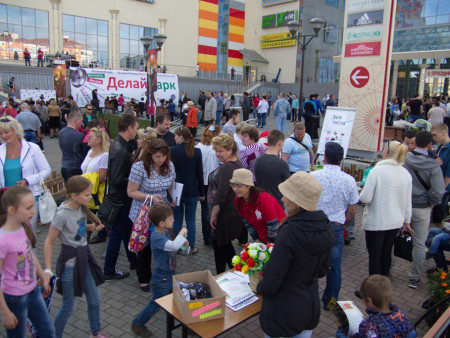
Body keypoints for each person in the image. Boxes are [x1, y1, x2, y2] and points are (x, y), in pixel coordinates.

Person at [257, 171, 334, 338]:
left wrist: (258, 288)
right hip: (308, 307)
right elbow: (322, 270)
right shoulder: (326, 226)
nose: (283, 199)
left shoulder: (290, 231)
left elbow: (272, 279)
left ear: (297, 202)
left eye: (287, 195)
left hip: (282, 313)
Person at [44, 176, 107, 338]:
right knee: (68, 307)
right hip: (70, 265)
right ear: (73, 195)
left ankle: (95, 332)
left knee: (95, 298)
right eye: (87, 194)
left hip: (84, 259)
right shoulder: (61, 214)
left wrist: (90, 226)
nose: (90, 197)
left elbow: (76, 227)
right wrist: (48, 270)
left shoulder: (81, 207)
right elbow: (49, 242)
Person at [0, 186, 55, 338]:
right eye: (29, 207)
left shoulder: (24, 228)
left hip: (33, 292)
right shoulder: (3, 240)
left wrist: (42, 276)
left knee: (48, 332)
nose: (33, 211)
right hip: (14, 297)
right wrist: (5, 312)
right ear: (12, 210)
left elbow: (29, 254)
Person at [311, 142, 359, 310]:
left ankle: (309, 298)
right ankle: (331, 302)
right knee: (334, 267)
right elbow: (352, 210)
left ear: (324, 157)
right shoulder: (349, 180)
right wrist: (342, 221)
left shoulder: (314, 176)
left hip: (315, 225)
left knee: (310, 263)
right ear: (341, 159)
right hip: (336, 227)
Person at [130, 205, 188, 337]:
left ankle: (186, 324)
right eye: (171, 218)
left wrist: (184, 245)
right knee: (156, 303)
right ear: (162, 223)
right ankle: (138, 323)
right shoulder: (156, 237)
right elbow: (172, 245)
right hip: (162, 277)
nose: (173, 220)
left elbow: (173, 248)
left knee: (178, 298)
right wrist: (181, 233)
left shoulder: (165, 232)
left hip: (170, 273)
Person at [128, 138, 175, 291]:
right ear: (150, 155)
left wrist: (173, 197)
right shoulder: (139, 167)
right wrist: (150, 198)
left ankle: (165, 273)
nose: (161, 159)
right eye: (157, 156)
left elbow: (170, 185)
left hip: (162, 211)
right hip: (143, 212)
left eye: (163, 156)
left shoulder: (169, 165)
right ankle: (144, 278)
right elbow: (131, 192)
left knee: (163, 243)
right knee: (144, 246)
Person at [359, 141, 411, 277]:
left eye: (383, 149)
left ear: (387, 153)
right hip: (395, 222)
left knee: (375, 256)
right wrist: (407, 221)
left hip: (377, 221)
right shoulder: (405, 173)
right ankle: (383, 286)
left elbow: (365, 198)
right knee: (386, 252)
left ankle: (373, 291)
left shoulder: (376, 171)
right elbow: (407, 201)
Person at [403, 130, 445, 288]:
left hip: (404, 205)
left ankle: (388, 267)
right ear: (429, 145)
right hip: (423, 207)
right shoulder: (433, 165)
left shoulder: (405, 159)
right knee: (420, 243)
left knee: (393, 237)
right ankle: (414, 278)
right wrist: (432, 203)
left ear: (414, 142)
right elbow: (438, 191)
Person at [103, 113, 139, 280]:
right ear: (129, 128)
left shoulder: (121, 145)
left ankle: (133, 260)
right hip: (121, 199)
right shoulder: (120, 149)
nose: (137, 132)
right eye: (136, 128)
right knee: (118, 234)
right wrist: (135, 180)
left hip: (122, 198)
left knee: (126, 231)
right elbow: (117, 179)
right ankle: (109, 269)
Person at [0, 116, 51, 234]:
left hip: (28, 198)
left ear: (15, 130)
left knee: (28, 235)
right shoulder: (1, 150)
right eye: (1, 133)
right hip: (6, 200)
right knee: (7, 234)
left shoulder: (33, 148)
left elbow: (46, 170)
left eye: (6, 132)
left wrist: (28, 180)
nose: (3, 136)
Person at [208, 134, 243, 274]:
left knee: (220, 246)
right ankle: (234, 273)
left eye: (220, 151)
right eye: (216, 151)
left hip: (224, 214)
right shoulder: (237, 163)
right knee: (226, 246)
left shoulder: (226, 168)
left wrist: (213, 215)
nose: (217, 154)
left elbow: (221, 196)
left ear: (230, 150)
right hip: (232, 211)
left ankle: (222, 275)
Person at [337, 275, 415, 338]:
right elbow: (412, 334)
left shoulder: (368, 326)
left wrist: (341, 331)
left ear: (369, 301)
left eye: (363, 299)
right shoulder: (401, 315)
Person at [231, 169, 285, 244]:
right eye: (232, 185)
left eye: (239, 186)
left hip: (279, 238)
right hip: (261, 238)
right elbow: (247, 223)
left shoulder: (264, 199)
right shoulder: (238, 200)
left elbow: (273, 227)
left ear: (249, 185)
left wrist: (269, 246)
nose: (235, 189)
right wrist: (256, 239)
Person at [171, 127, 203, 254]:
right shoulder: (196, 151)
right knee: (191, 219)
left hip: (176, 189)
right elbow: (199, 173)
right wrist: (201, 192)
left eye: (175, 136)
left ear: (180, 137)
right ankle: (191, 246)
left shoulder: (172, 151)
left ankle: (177, 246)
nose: (174, 138)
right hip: (192, 190)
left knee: (177, 219)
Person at [195, 125, 220, 246]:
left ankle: (206, 238)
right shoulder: (215, 149)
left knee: (204, 209)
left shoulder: (198, 147)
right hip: (212, 182)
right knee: (212, 209)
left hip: (201, 182)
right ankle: (212, 236)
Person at [255, 130, 290, 207]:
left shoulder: (258, 160)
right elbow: (288, 186)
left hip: (261, 202)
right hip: (276, 204)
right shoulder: (282, 164)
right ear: (280, 143)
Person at [431, 123, 450, 226]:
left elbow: (448, 175)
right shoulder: (440, 147)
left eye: (435, 135)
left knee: (439, 218)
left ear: (444, 133)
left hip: (444, 190)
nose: (434, 138)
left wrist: (441, 191)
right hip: (439, 187)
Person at [59, 111, 85, 183]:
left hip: (64, 166)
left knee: (70, 191)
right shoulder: (79, 135)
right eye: (81, 121)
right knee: (77, 192)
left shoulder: (61, 132)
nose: (82, 123)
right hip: (75, 167)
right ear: (76, 120)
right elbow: (82, 152)